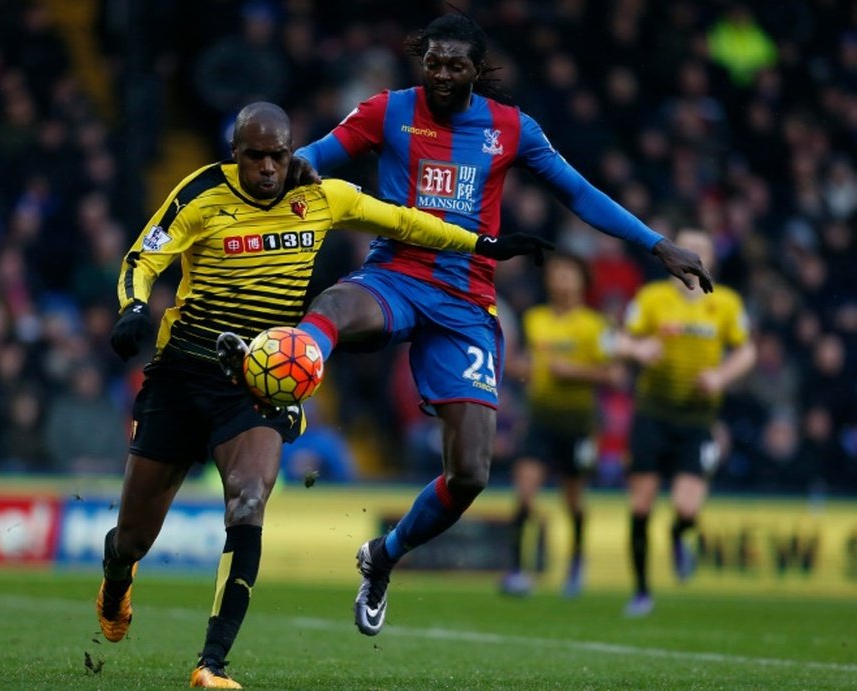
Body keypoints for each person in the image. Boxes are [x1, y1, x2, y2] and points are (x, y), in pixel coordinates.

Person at [277, 13, 712, 637]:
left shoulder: (511, 128)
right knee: (336, 309)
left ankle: (382, 556)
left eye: (457, 65)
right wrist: (297, 167)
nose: (444, 75)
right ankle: (286, 385)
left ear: (478, 70)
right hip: (397, 274)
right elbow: (317, 156)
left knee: (471, 473)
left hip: (465, 301)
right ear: (420, 62)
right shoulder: (386, 111)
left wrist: (656, 243)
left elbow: (579, 192)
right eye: (434, 63)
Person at [95, 101, 555, 689]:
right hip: (183, 375)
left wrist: (483, 244)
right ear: (235, 155)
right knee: (133, 537)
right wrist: (134, 305)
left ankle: (212, 665)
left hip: (256, 379)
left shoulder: (323, 196)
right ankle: (116, 578)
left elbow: (403, 221)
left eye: (278, 156)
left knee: (249, 499)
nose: (267, 167)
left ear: (293, 153)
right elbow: (145, 254)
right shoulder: (201, 192)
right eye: (254, 156)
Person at [616, 228, 756, 617]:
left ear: (711, 257)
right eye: (686, 248)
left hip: (697, 418)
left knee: (687, 508)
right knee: (641, 505)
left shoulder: (725, 302)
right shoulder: (651, 298)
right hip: (653, 413)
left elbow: (746, 351)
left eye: (701, 249)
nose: (692, 254)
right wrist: (639, 348)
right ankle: (641, 591)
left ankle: (680, 538)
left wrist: (720, 377)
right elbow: (620, 341)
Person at [500, 253, 624, 598]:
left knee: (573, 500)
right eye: (556, 274)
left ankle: (575, 563)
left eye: (568, 274)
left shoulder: (597, 326)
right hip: (539, 420)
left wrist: (572, 371)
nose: (561, 280)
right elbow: (519, 365)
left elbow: (615, 375)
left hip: (579, 424)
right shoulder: (535, 319)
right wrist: (520, 367)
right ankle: (515, 570)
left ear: (582, 281)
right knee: (524, 494)